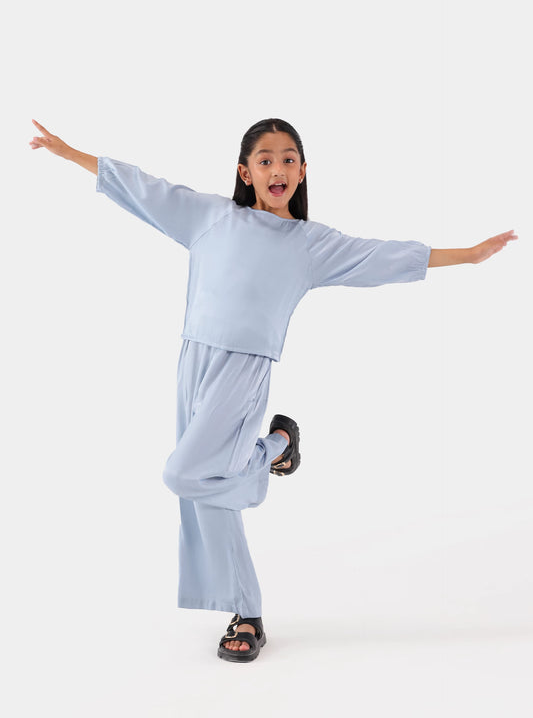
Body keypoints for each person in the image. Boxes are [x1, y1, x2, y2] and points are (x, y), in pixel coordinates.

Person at [29, 117, 518, 663]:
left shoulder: (309, 245)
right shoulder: (209, 217)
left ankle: (270, 454)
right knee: (206, 486)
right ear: (246, 172)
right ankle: (248, 605)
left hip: (243, 371)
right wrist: (68, 152)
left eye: (288, 159)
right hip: (192, 361)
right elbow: (145, 188)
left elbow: (379, 255)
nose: (277, 168)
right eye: (265, 160)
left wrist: (467, 254)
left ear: (302, 171)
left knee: (184, 475)